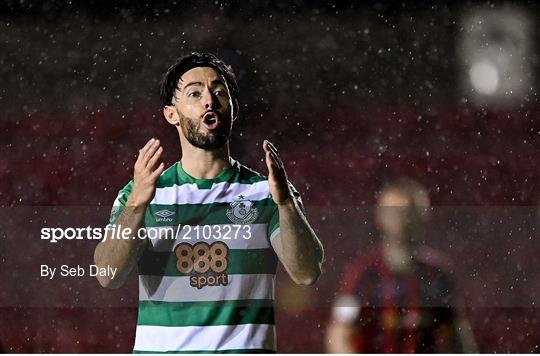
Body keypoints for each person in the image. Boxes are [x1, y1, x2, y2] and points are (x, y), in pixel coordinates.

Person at [93, 52, 324, 353]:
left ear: (233, 108)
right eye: (194, 93)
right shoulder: (142, 193)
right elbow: (108, 276)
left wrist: (286, 204)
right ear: (171, 114)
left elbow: (306, 273)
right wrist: (137, 203)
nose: (209, 101)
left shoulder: (267, 192)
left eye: (218, 92)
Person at [326, 178, 476, 353]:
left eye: (409, 212)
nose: (402, 220)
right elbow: (339, 334)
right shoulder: (363, 273)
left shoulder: (439, 273)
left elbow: (457, 334)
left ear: (424, 216)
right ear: (379, 216)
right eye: (393, 212)